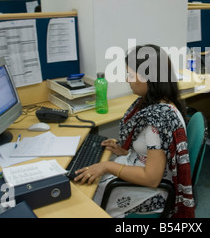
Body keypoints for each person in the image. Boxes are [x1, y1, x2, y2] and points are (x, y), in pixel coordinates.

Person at [74, 44, 195, 218]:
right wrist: (125, 149)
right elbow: (152, 149)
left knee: (88, 197)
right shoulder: (160, 101)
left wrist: (107, 166)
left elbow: (151, 179)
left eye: (130, 75)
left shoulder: (157, 121)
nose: (127, 80)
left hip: (153, 190)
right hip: (143, 169)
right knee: (93, 180)